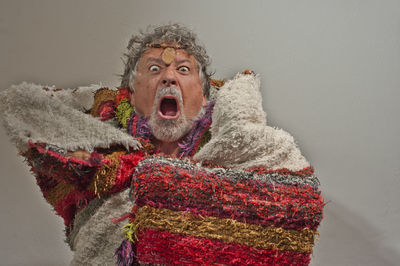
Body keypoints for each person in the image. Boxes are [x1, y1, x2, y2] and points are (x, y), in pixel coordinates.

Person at [0, 24, 324, 265]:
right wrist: (97, 100)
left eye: (183, 70)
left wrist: (160, 184)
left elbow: (293, 213)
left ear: (204, 92)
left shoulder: (241, 147)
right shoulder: (103, 149)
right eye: (154, 69)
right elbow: (19, 106)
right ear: (131, 90)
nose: (169, 77)